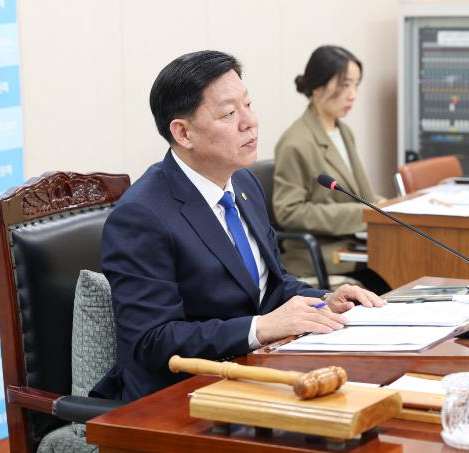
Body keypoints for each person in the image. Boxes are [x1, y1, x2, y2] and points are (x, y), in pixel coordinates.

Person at [90, 50, 385, 403]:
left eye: (248, 105)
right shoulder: (141, 216)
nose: (250, 122)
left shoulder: (244, 183)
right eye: (229, 113)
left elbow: (272, 286)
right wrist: (261, 327)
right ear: (183, 132)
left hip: (253, 371)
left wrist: (324, 301)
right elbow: (152, 340)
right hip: (181, 396)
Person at [273, 45, 390, 294]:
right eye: (345, 85)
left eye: (356, 85)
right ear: (317, 85)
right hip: (323, 257)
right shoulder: (295, 142)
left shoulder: (343, 131)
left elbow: (361, 194)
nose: (353, 95)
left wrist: (388, 205)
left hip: (356, 249)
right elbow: (289, 212)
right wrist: (362, 213)